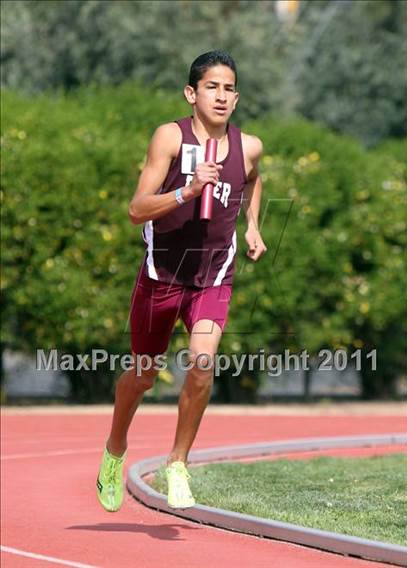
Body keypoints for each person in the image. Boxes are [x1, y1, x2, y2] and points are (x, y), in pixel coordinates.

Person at [96, 50, 267, 511]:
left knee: (204, 363)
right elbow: (136, 209)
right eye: (212, 86)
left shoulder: (248, 145)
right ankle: (115, 449)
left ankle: (177, 462)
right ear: (191, 93)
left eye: (229, 88)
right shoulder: (169, 137)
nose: (222, 96)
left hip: (212, 277)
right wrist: (187, 190)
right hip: (162, 275)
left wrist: (253, 226)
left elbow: (254, 180)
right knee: (142, 375)